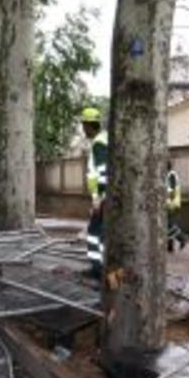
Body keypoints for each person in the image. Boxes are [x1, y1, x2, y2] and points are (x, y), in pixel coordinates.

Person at [82, 107, 108, 278]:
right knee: (101, 233)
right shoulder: (104, 138)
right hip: (106, 196)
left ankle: (97, 269)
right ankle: (101, 267)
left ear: (89, 125)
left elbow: (103, 172)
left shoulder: (99, 143)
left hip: (104, 197)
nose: (83, 129)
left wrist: (98, 199)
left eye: (83, 125)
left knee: (94, 233)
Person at [165, 161, 188, 252]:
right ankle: (170, 246)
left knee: (169, 225)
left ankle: (182, 238)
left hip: (172, 204)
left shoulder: (171, 175)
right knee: (169, 224)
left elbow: (171, 190)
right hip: (170, 203)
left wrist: (169, 203)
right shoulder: (169, 175)